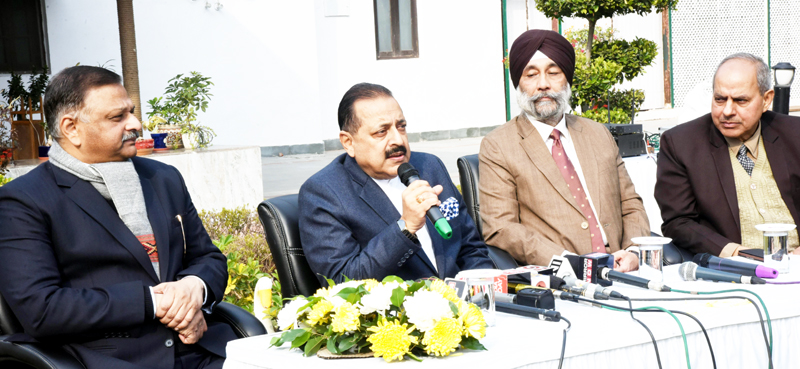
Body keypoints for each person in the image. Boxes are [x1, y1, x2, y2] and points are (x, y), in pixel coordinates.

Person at [0, 66, 235, 369]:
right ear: (71, 128)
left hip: (201, 348)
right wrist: (153, 302)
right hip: (108, 359)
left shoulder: (163, 178)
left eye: (132, 112)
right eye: (117, 117)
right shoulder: (24, 201)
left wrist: (194, 287)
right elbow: (42, 309)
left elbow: (209, 258)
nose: (136, 124)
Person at [479, 29, 649, 270]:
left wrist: (633, 250)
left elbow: (630, 203)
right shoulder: (499, 146)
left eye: (553, 72)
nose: (543, 85)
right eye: (531, 75)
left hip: (624, 269)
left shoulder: (597, 134)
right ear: (518, 83)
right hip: (560, 280)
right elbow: (501, 228)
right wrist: (567, 262)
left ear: (567, 78)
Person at [299, 83, 493, 284]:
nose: (398, 140)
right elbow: (344, 281)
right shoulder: (324, 193)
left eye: (401, 127)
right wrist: (405, 228)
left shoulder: (428, 166)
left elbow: (471, 247)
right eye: (381, 132)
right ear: (349, 142)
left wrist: (483, 294)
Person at [655, 53, 800, 257]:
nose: (727, 111)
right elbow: (678, 222)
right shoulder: (681, 144)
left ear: (766, 100)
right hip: (733, 271)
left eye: (741, 100)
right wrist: (736, 254)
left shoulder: (794, 135)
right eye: (720, 99)